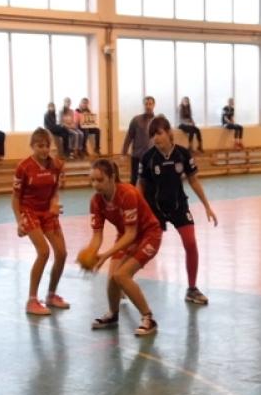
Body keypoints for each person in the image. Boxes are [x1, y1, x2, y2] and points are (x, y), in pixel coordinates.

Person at [139, 115, 216, 305]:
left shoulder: (182, 154)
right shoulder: (148, 158)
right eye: (152, 135)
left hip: (178, 206)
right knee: (146, 249)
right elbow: (140, 186)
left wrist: (207, 206)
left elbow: (193, 180)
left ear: (169, 132)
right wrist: (136, 209)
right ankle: (125, 279)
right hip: (154, 209)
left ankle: (192, 289)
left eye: (159, 133)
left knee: (191, 243)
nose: (156, 138)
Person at [86, 158, 163, 336]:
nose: (95, 185)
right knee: (112, 278)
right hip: (126, 236)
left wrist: (105, 255)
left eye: (100, 180)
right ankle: (113, 315)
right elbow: (97, 236)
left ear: (112, 177)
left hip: (149, 235)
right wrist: (91, 254)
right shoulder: (96, 201)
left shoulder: (127, 194)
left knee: (122, 275)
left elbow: (131, 234)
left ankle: (148, 318)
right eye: (92, 180)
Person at [12, 128, 69, 315]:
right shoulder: (24, 167)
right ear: (32, 146)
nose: (44, 150)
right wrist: (19, 221)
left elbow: (55, 192)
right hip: (29, 212)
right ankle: (32, 300)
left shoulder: (56, 165)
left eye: (47, 146)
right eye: (40, 146)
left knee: (61, 253)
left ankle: (51, 295)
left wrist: (54, 204)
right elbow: (15, 199)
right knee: (43, 252)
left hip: (47, 212)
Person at [122, 96, 156, 185]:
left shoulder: (157, 121)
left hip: (152, 156)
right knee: (134, 179)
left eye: (150, 104)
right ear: (143, 105)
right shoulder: (136, 120)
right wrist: (124, 152)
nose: (148, 106)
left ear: (154, 105)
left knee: (151, 179)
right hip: (137, 156)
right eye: (146, 104)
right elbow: (129, 136)